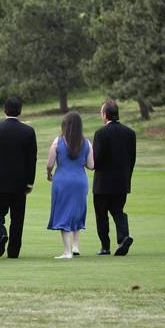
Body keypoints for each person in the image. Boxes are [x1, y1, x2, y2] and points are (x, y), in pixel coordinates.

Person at [0, 97, 37, 259]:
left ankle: (1, 233)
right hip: (20, 183)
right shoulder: (28, 131)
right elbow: (31, 159)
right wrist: (30, 182)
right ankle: (13, 252)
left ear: (4, 110)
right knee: (17, 218)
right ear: (20, 111)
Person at [47, 111, 94, 259]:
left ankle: (67, 251)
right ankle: (76, 246)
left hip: (62, 181)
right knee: (76, 212)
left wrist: (49, 175)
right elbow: (91, 165)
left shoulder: (58, 141)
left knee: (63, 213)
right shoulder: (86, 143)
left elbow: (50, 164)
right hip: (80, 181)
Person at [92, 100, 136, 256]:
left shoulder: (100, 134)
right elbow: (132, 159)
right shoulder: (130, 133)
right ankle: (124, 237)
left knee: (101, 215)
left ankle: (105, 246)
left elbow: (96, 161)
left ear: (105, 114)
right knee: (118, 211)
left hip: (102, 184)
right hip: (121, 182)